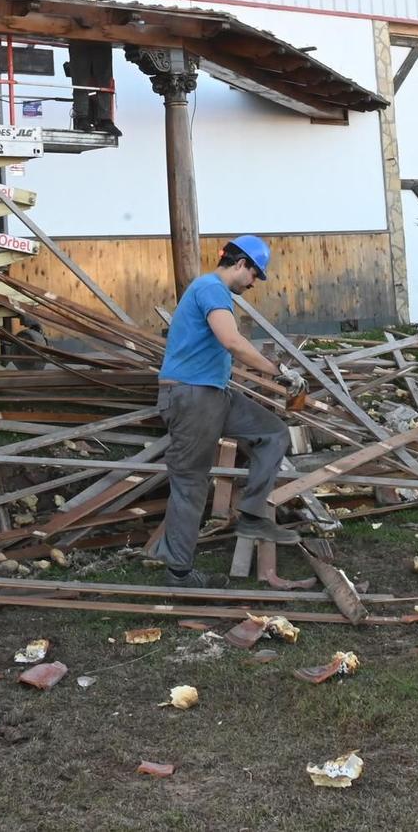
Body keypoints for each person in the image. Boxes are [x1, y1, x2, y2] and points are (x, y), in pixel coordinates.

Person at [146, 235, 304, 589]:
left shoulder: (214, 292)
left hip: (214, 395)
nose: (252, 283)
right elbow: (231, 341)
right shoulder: (212, 289)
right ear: (241, 264)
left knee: (273, 433)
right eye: (254, 275)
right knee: (190, 484)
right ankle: (179, 573)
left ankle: (250, 514)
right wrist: (277, 371)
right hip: (191, 397)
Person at [55, 0, 120, 135]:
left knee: (104, 80)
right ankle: (82, 118)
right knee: (80, 79)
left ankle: (105, 120)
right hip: (79, 40)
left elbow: (111, 9)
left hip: (101, 40)